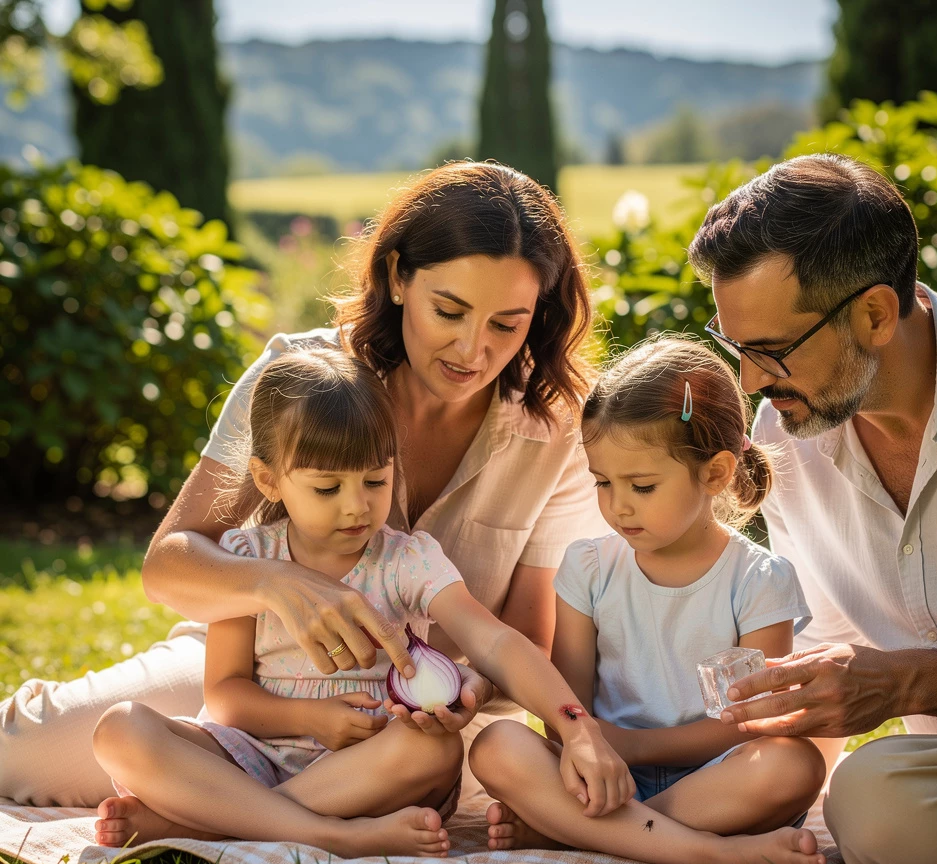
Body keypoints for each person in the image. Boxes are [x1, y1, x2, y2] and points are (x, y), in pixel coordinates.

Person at [0, 161, 612, 811]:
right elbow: (168, 566)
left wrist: (464, 690)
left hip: (421, 717)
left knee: (448, 770)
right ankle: (263, 808)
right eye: (450, 310)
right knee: (32, 752)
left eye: (506, 323)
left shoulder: (557, 430)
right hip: (254, 675)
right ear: (399, 277)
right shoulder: (299, 377)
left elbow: (520, 634)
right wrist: (280, 585)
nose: (473, 349)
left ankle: (212, 811)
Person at [91, 345, 631, 854]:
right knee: (120, 729)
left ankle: (208, 822)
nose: (357, 508)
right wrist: (311, 719)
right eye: (327, 489)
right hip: (252, 754)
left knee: (436, 749)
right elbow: (227, 697)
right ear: (268, 480)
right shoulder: (248, 558)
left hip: (373, 769)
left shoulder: (408, 561)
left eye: (376, 480)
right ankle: (329, 836)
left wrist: (575, 726)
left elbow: (492, 639)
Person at [685, 152, 937, 864]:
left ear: (874, 314)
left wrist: (906, 684)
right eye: (736, 349)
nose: (751, 382)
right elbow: (830, 654)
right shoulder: (787, 434)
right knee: (873, 803)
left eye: (771, 351)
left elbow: (887, 682)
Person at [469, 338, 828, 864]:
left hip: (715, 782)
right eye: (602, 483)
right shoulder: (588, 566)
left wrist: (637, 744)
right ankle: (710, 854)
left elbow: (752, 722)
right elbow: (566, 703)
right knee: (497, 745)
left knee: (794, 765)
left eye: (641, 486)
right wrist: (584, 745)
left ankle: (582, 834)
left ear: (714, 474)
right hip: (602, 772)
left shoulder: (758, 580)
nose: (618, 506)